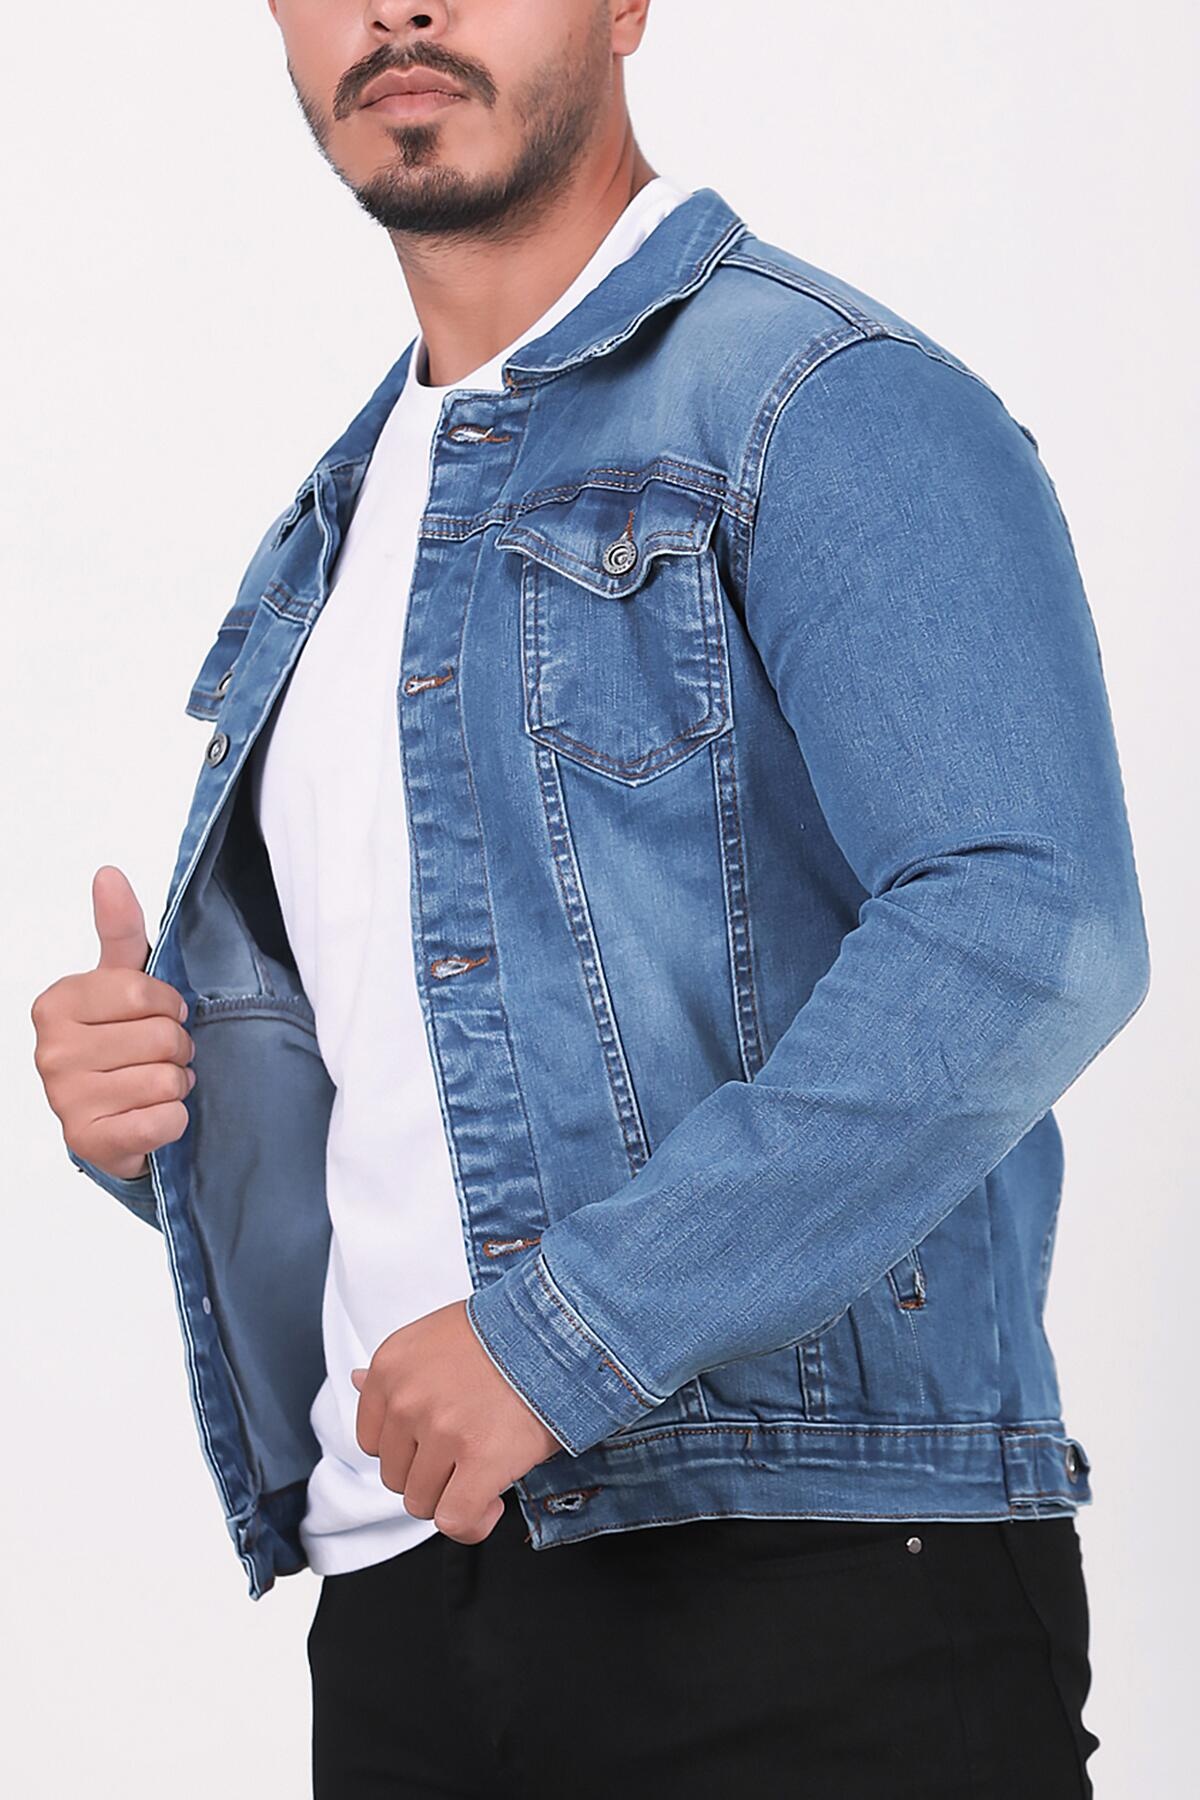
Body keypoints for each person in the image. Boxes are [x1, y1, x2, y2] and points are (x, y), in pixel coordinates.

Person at [31, 3, 1149, 1794]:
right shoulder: (339, 523)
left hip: (800, 1583)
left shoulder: (820, 394)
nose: (402, 7)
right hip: (408, 1606)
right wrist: (165, 1116)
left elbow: (1031, 925)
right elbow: (440, 1091)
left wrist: (563, 1338)